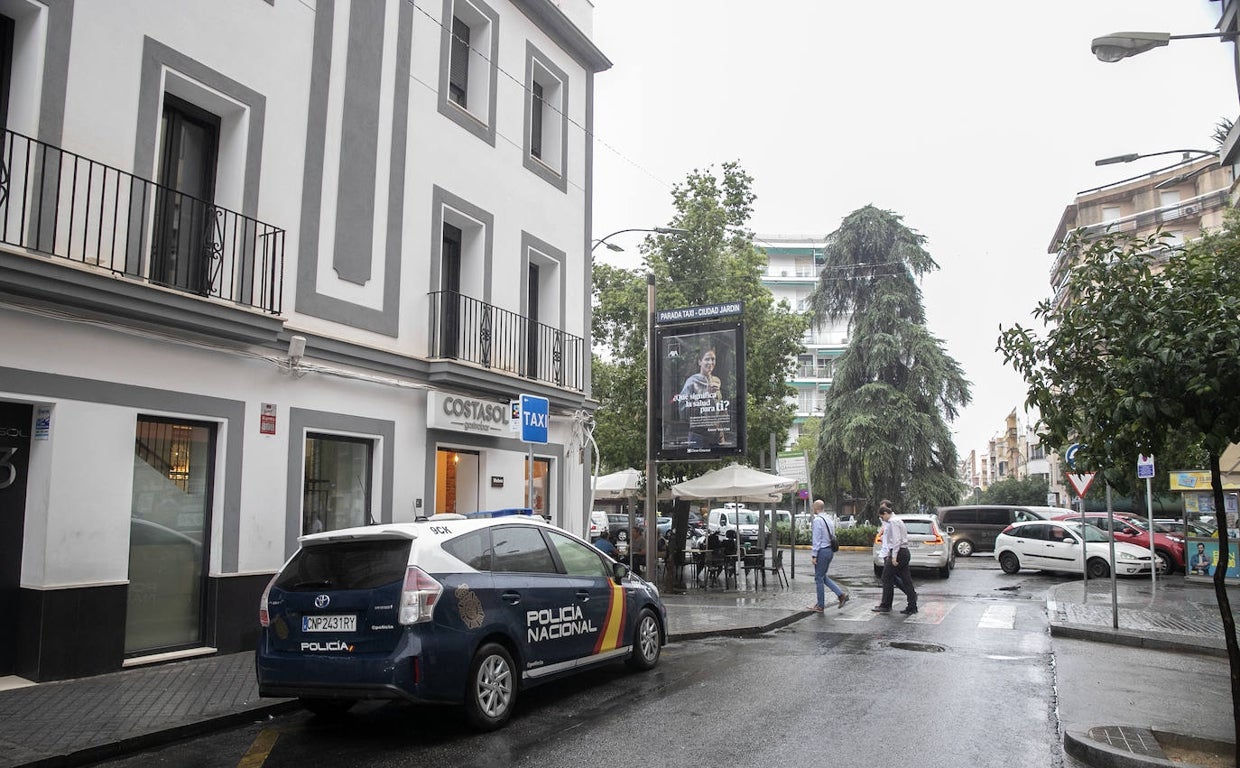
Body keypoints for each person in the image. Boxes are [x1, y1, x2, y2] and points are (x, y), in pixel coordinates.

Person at [874, 499, 917, 615]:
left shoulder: (893, 522)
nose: (882, 520)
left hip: (899, 553)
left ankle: (886, 605)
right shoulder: (897, 520)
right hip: (903, 552)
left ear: (885, 513)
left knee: (886, 577)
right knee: (906, 579)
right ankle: (912, 604)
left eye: (882, 517)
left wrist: (893, 556)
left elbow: (897, 540)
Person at [807, 499, 849, 612]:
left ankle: (820, 605)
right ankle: (841, 595)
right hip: (830, 550)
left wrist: (814, 555)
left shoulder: (817, 520)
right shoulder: (829, 519)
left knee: (818, 578)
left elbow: (816, 539)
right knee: (823, 576)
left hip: (822, 551)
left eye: (812, 508)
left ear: (816, 508)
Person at [678, 348, 723, 447]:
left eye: (713, 359)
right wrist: (706, 396)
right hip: (698, 435)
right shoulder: (691, 382)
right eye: (707, 359)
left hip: (716, 434)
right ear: (699, 362)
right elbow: (682, 409)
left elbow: (720, 408)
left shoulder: (717, 381)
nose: (710, 362)